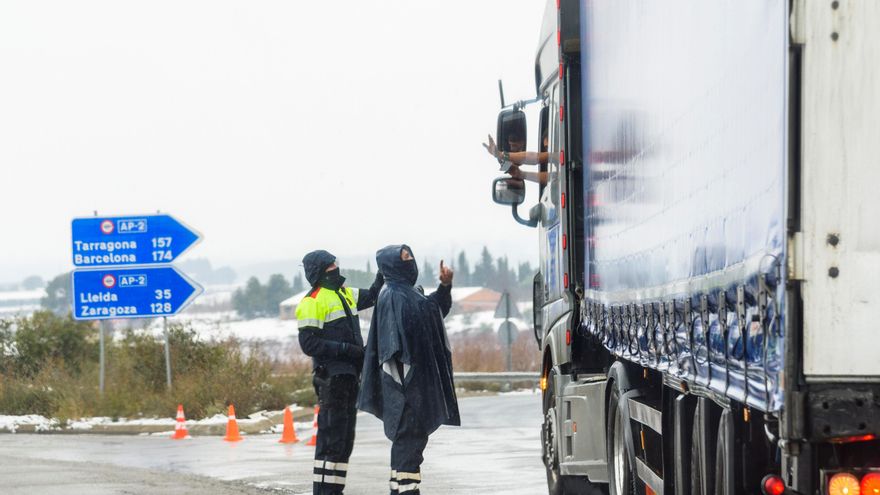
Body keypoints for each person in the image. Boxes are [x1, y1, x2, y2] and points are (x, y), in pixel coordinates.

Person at [358, 245, 459, 495]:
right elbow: (393, 350)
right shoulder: (393, 295)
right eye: (404, 258)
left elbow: (432, 312)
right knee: (408, 448)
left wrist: (444, 288)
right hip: (406, 392)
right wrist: (407, 392)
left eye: (411, 256)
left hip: (412, 390)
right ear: (392, 265)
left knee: (408, 447)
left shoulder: (408, 293)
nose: (410, 261)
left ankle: (401, 491)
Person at [296, 249, 384, 495]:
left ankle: (335, 490)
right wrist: (348, 350)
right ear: (320, 271)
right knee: (331, 441)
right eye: (331, 266)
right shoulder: (312, 301)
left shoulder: (345, 293)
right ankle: (324, 492)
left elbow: (374, 295)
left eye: (336, 264)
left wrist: (382, 273)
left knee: (345, 441)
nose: (336, 268)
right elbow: (309, 344)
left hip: (349, 377)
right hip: (331, 378)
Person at [483, 132, 550, 185]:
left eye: (514, 145)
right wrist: (520, 174)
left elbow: (537, 157)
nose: (511, 148)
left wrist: (500, 155)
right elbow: (551, 178)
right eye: (510, 145)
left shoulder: (556, 155)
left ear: (522, 143)